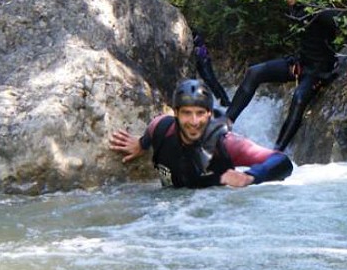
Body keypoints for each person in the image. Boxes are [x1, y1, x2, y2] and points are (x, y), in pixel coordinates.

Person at [226, 0, 347, 151]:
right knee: (254, 72)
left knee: (299, 98)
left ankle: (276, 151)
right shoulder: (296, 7)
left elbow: (343, 22)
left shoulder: (316, 7)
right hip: (300, 62)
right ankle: (225, 124)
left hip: (319, 69)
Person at [109, 79, 293, 188]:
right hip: (169, 212)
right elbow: (149, 135)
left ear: (210, 114)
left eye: (200, 113)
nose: (194, 122)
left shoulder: (225, 144)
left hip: (210, 219)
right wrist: (140, 145)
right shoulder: (161, 128)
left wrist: (252, 176)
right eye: (187, 113)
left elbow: (282, 161)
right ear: (176, 113)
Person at [192, 28, 231, 107]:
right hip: (200, 61)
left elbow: (201, 47)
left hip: (204, 60)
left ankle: (225, 100)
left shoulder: (196, 36)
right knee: (209, 82)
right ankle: (221, 100)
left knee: (212, 80)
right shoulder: (193, 35)